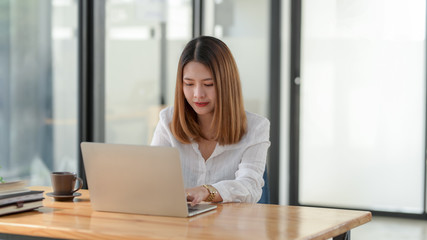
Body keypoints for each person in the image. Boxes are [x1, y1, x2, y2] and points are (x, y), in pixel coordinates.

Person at [151, 36, 270, 206]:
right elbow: (151, 177)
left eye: (208, 84)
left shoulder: (256, 127)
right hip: (179, 226)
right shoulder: (167, 120)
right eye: (189, 84)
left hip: (230, 227)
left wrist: (208, 191)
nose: (198, 94)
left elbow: (250, 187)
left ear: (226, 84)